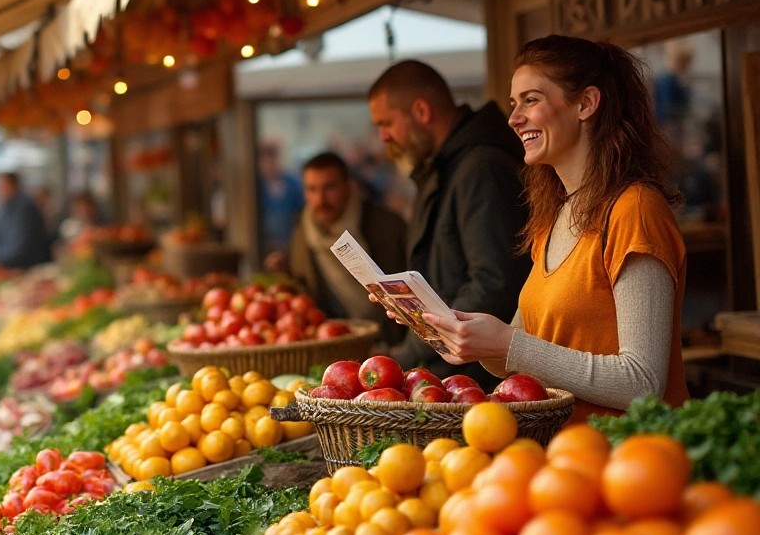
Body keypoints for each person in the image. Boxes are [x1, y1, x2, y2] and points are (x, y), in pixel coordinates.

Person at [417, 35, 689, 422]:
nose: (513, 118)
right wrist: (451, 327)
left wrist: (508, 344)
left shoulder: (635, 210)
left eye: (531, 100)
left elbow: (642, 382)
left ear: (586, 104)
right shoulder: (555, 217)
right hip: (560, 460)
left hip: (628, 463)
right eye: (514, 103)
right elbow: (518, 356)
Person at [367, 60, 531, 388]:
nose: (383, 136)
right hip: (454, 372)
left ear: (421, 111)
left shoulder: (481, 168)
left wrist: (412, 350)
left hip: (479, 382)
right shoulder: (449, 167)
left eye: (386, 123)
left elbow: (494, 283)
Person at [265, 152, 408, 343]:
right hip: (336, 341)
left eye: (329, 188)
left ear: (347, 186)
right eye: (312, 189)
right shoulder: (303, 233)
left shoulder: (388, 226)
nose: (320, 199)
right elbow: (308, 292)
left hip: (393, 338)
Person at [0, 173, 51, 270]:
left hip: (24, 267)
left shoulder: (24, 208)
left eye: (1, 185)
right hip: (9, 265)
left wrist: (0, 260)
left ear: (13, 185)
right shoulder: (2, 208)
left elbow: (22, 243)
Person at [258, 141, 305, 255]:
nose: (269, 164)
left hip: (289, 241)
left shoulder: (292, 183)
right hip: (265, 242)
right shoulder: (258, 186)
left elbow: (301, 209)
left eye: (272, 159)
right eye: (265, 160)